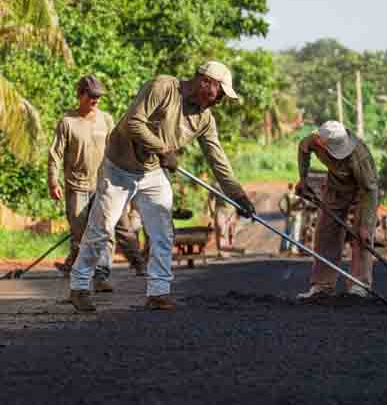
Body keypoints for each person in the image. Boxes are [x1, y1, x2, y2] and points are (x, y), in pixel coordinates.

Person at [68, 61, 255, 312]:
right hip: (119, 168)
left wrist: (238, 196)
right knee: (102, 227)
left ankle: (158, 292)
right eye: (219, 93)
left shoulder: (204, 119)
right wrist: (163, 149)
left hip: (153, 173)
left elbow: (217, 160)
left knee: (162, 232)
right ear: (205, 82)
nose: (219, 100)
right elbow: (133, 122)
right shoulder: (163, 87)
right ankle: (79, 287)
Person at [48, 76, 146, 294]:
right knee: (80, 234)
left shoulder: (107, 120)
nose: (95, 100)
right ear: (81, 94)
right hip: (77, 186)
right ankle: (78, 275)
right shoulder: (67, 121)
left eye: (98, 97)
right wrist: (53, 180)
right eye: (91, 96)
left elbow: (118, 148)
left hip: (105, 183)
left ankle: (101, 275)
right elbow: (55, 154)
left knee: (106, 230)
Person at [294, 120, 379, 301]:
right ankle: (322, 286)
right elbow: (303, 149)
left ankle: (359, 286)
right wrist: (303, 178)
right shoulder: (314, 141)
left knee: (362, 237)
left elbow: (370, 191)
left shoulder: (359, 156)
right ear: (321, 143)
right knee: (326, 232)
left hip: (363, 191)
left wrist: (366, 224)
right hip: (336, 186)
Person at [278, 183, 306, 254]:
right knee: (295, 232)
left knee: (287, 231)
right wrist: (301, 210)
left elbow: (280, 204)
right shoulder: (299, 195)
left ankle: (285, 248)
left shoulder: (287, 195)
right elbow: (304, 204)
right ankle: (294, 249)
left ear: (289, 187)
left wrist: (284, 212)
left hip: (289, 215)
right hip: (297, 215)